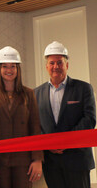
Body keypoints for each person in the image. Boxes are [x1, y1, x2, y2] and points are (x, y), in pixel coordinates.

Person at [34, 41, 96, 188]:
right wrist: (48, 143)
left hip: (77, 159)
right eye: (52, 63)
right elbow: (35, 124)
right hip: (51, 161)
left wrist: (66, 141)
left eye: (60, 62)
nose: (56, 67)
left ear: (67, 65)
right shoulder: (36, 93)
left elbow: (89, 119)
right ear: (46, 66)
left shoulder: (83, 88)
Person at [0, 46, 43, 188]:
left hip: (23, 160)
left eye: (13, 66)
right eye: (5, 66)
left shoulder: (28, 93)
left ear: (18, 69)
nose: (9, 70)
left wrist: (37, 159)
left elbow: (35, 128)